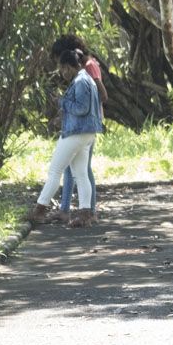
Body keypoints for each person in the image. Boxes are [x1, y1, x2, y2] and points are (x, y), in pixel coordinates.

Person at [28, 49, 100, 228]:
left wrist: (62, 101)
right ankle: (85, 214)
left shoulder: (81, 81)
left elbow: (81, 108)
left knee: (54, 171)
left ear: (69, 67)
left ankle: (39, 210)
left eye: (62, 68)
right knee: (81, 174)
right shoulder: (86, 79)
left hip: (75, 132)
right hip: (87, 133)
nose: (61, 72)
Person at [51, 35, 108, 222]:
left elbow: (102, 94)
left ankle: (88, 211)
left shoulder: (88, 68)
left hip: (86, 127)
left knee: (81, 170)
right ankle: (68, 209)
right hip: (80, 125)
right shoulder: (83, 69)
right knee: (74, 169)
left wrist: (87, 112)